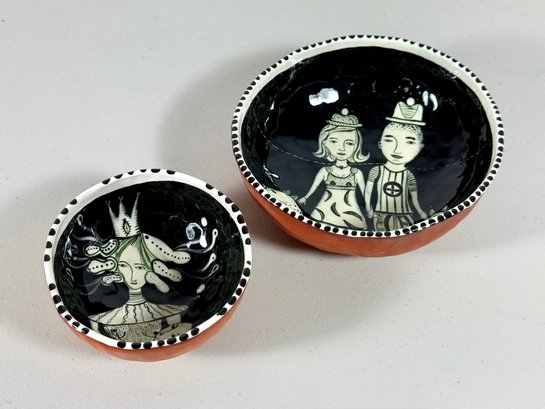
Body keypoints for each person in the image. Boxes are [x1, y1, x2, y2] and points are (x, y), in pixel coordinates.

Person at [364, 98, 428, 231]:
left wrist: (421, 212)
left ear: (420, 148)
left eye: (409, 142)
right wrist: (368, 207)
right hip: (380, 215)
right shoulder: (376, 171)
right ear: (380, 144)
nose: (397, 150)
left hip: (405, 215)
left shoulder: (408, 175)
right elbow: (368, 190)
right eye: (389, 140)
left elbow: (414, 198)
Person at [298, 109, 368, 229]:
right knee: (317, 228)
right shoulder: (325, 171)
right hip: (325, 210)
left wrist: (369, 208)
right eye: (334, 141)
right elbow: (315, 186)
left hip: (350, 211)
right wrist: (305, 197)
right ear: (324, 143)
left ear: (356, 146)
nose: (342, 148)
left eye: (349, 143)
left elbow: (365, 192)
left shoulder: (356, 173)